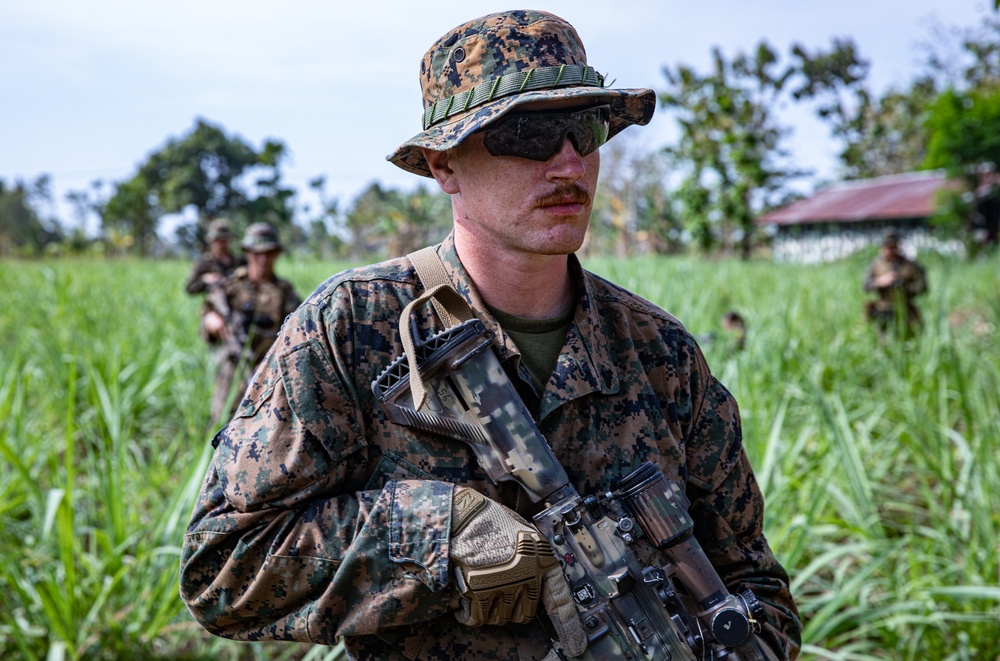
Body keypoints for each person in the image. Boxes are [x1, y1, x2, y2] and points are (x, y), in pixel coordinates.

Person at [180, 10, 801, 660]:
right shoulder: (356, 327)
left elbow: (754, 585)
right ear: (445, 163)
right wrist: (432, 533)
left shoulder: (660, 354)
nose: (568, 161)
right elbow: (224, 567)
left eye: (584, 130)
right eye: (528, 134)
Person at [200, 222, 301, 421]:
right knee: (222, 423)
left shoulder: (284, 292)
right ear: (247, 252)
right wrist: (210, 321)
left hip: (270, 373)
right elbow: (208, 313)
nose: (263, 259)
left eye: (269, 253)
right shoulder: (230, 287)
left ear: (276, 254)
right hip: (232, 370)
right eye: (257, 253)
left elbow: (298, 330)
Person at [863, 229, 928, 336]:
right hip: (883, 309)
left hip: (906, 309)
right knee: (883, 339)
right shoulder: (875, 265)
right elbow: (866, 286)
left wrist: (906, 287)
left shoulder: (911, 265)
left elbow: (923, 287)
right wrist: (880, 282)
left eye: (893, 247)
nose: (890, 250)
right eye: (887, 247)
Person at [184, 218, 247, 296]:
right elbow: (189, 288)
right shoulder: (205, 262)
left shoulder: (239, 261)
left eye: (224, 240)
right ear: (211, 241)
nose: (221, 244)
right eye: (218, 240)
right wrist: (204, 279)